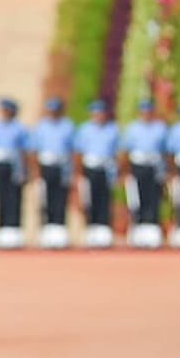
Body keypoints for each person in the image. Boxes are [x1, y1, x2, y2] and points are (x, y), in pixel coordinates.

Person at [120, 98, 168, 248]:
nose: (146, 114)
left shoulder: (160, 128)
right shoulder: (133, 128)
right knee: (138, 198)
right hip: (138, 165)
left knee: (154, 197)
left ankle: (152, 228)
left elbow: (166, 151)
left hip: (154, 165)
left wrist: (167, 171)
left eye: (149, 111)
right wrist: (125, 171)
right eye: (144, 111)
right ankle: (139, 228)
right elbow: (126, 152)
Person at [73, 99, 120, 248]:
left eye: (101, 113)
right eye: (96, 113)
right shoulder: (84, 130)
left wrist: (119, 171)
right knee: (89, 199)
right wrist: (78, 172)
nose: (99, 115)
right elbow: (78, 153)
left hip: (106, 168)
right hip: (90, 167)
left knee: (105, 199)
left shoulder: (112, 129)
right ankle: (91, 228)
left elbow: (118, 152)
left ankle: (104, 228)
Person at [30, 96, 76, 248]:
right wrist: (36, 172)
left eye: (56, 110)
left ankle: (60, 228)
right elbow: (35, 151)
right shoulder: (42, 127)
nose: (53, 113)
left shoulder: (67, 126)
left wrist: (73, 171)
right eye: (51, 110)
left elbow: (73, 151)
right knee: (46, 199)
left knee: (60, 198)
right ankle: (47, 228)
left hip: (62, 166)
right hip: (46, 164)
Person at [0, 97, 30, 248]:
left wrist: (25, 170)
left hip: (13, 165)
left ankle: (14, 228)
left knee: (14, 196)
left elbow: (24, 151)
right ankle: (1, 228)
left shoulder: (19, 128)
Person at [168, 106, 180, 248]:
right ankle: (179, 227)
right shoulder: (176, 130)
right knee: (179, 200)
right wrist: (172, 172)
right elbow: (170, 153)